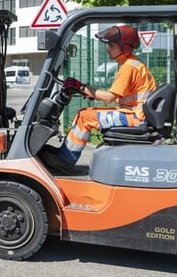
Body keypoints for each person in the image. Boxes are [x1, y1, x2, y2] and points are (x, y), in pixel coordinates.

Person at [40, 25, 157, 174]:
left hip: (135, 117)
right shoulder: (134, 64)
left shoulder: (129, 67)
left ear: (125, 48)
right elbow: (118, 98)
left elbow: (109, 97)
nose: (108, 49)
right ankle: (65, 155)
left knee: (84, 117)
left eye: (111, 45)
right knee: (87, 113)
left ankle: (66, 160)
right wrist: (86, 91)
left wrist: (81, 87)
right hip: (135, 114)